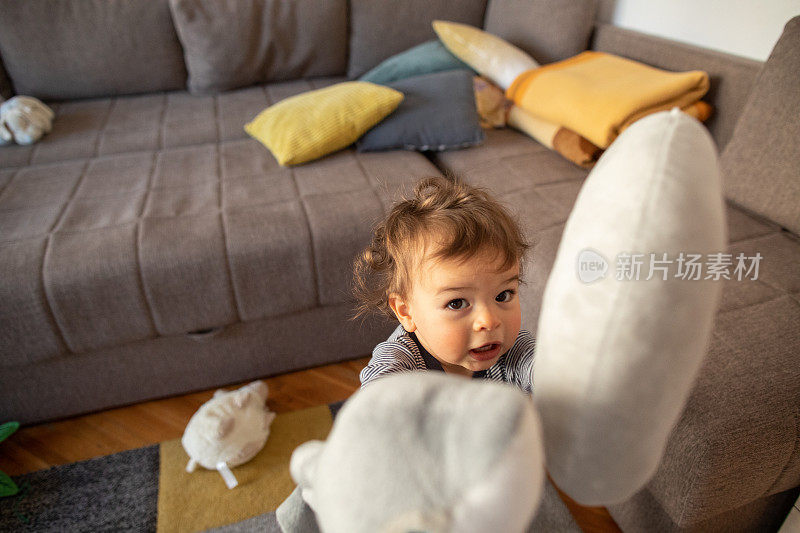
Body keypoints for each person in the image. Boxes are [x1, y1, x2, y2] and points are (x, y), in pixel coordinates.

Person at [352, 175, 535, 393]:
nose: (489, 321)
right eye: (457, 303)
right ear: (406, 312)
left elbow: (554, 374)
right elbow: (374, 403)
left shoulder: (516, 351)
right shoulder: (400, 365)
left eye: (503, 295)